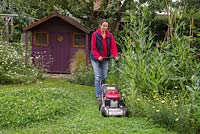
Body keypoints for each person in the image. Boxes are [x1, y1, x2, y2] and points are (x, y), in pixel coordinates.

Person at [90, 19, 118, 101]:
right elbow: (93, 48)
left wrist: (115, 55)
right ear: (100, 25)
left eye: (106, 26)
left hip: (105, 58)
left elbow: (113, 47)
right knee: (98, 76)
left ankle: (103, 92)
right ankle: (98, 95)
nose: (105, 27)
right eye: (104, 26)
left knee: (104, 77)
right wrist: (98, 56)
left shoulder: (110, 35)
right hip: (95, 58)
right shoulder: (95, 35)